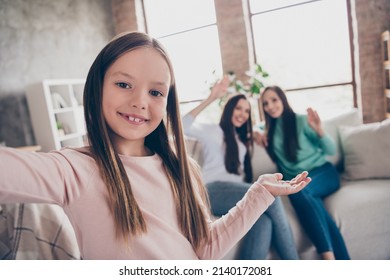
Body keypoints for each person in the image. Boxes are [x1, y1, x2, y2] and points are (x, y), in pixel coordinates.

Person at [0, 32, 311, 260]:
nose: (139, 102)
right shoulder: (72, 169)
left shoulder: (182, 167)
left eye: (156, 92)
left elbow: (205, 248)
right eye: (124, 84)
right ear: (97, 88)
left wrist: (260, 193)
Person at [182, 77, 299, 260]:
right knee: (270, 198)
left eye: (246, 111)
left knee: (263, 220)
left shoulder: (243, 141)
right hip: (212, 190)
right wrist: (211, 98)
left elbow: (260, 129)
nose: (242, 114)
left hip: (233, 192)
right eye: (238, 108)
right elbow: (181, 124)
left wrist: (256, 132)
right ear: (229, 109)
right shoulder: (212, 130)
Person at [257, 85, 350, 260]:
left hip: (324, 173)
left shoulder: (301, 121)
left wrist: (319, 129)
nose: (270, 106)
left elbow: (331, 150)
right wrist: (256, 133)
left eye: (274, 100)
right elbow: (255, 131)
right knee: (312, 204)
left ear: (283, 100)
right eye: (265, 103)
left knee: (298, 189)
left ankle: (327, 258)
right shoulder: (269, 131)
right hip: (302, 183)